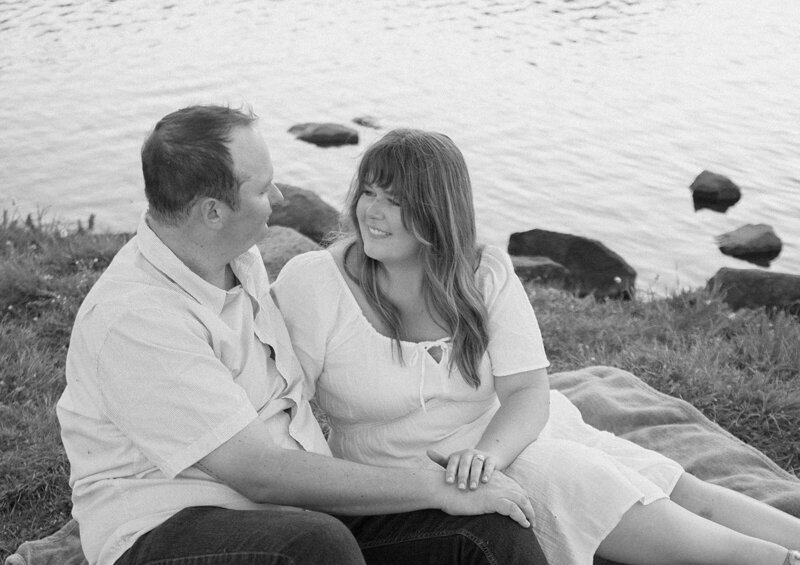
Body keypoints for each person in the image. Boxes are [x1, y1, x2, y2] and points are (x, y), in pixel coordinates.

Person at [271, 128, 800, 565]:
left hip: (509, 435)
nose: (373, 212)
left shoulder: (483, 271)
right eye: (369, 192)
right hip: (410, 468)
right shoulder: (315, 283)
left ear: (438, 211)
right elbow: (282, 407)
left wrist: (486, 457)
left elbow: (527, 389)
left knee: (677, 487)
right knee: (606, 492)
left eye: (397, 201)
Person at [56, 106, 550, 565]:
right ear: (212, 212)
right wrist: (437, 488)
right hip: (169, 525)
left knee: (490, 527)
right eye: (262, 188)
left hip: (298, 507)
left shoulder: (235, 259)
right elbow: (258, 473)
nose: (279, 198)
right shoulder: (137, 317)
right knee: (315, 547)